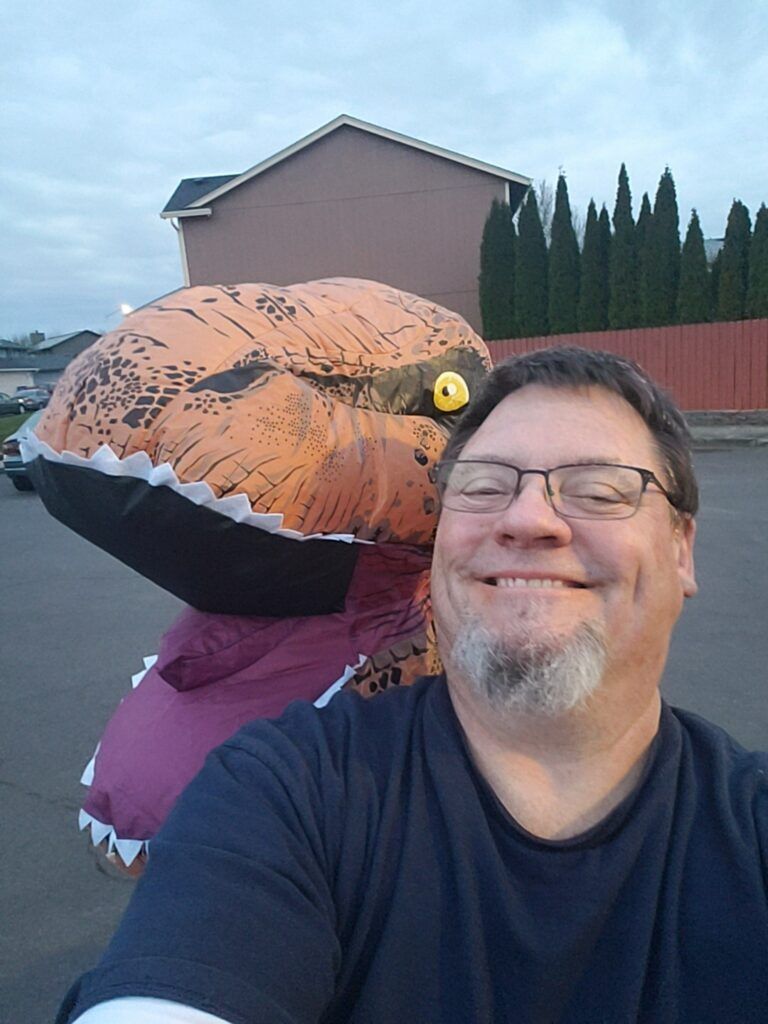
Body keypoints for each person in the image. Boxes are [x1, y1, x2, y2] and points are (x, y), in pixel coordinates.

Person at [58, 347, 768, 1024]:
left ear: (681, 549)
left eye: (599, 490)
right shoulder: (286, 790)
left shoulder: (751, 829)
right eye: (485, 486)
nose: (526, 518)